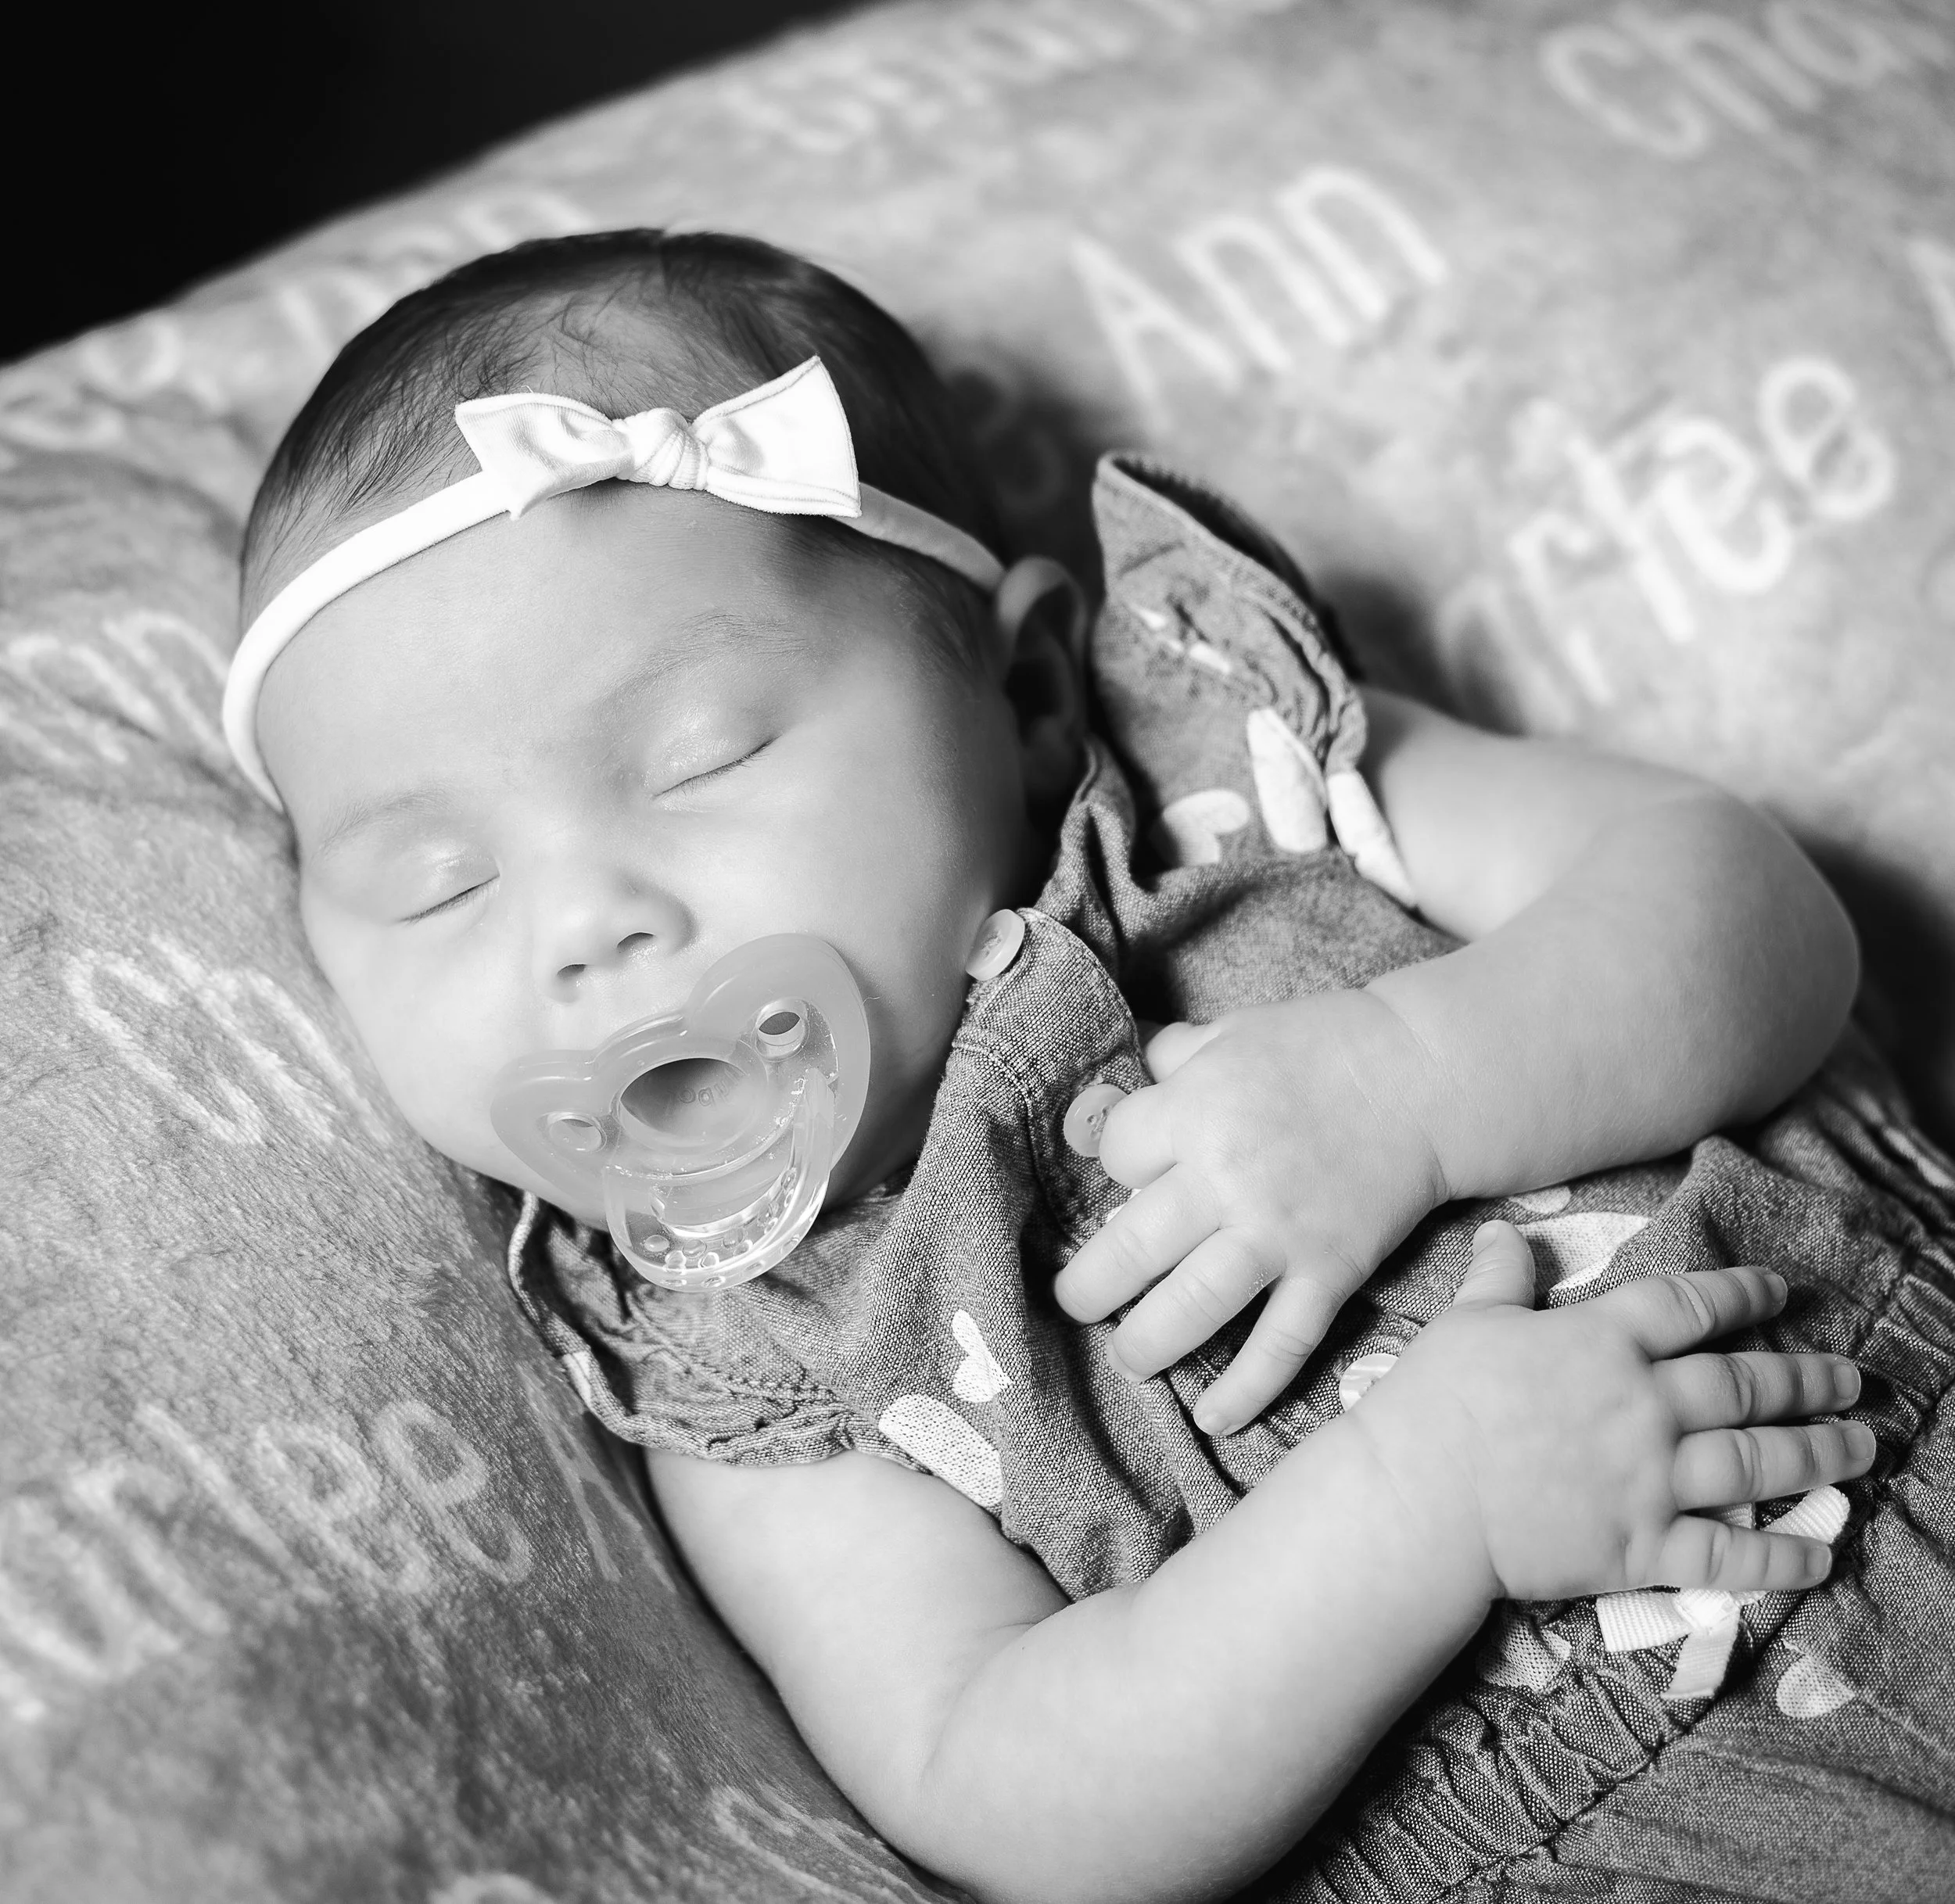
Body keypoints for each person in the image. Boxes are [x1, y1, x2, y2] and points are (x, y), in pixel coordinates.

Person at [223, 229, 1955, 1904]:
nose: (581, 926)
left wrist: (1411, 1079)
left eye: (698, 758)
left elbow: (1752, 914)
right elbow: (997, 1776)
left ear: (1029, 686)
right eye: (433, 883)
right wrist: (1426, 1509)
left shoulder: (1221, 777)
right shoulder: (743, 1355)